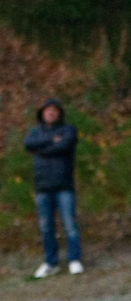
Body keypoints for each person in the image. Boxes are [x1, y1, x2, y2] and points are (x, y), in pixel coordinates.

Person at [24, 98, 83, 278]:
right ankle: (51, 262)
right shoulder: (35, 132)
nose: (51, 113)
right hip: (42, 187)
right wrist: (51, 141)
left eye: (54, 110)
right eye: (48, 110)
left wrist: (42, 149)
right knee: (46, 227)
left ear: (59, 113)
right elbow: (29, 144)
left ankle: (74, 260)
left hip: (64, 186)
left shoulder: (68, 130)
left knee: (69, 224)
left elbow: (64, 145)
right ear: (42, 113)